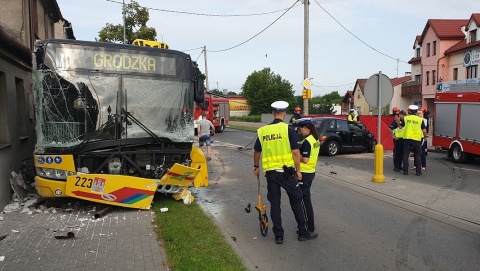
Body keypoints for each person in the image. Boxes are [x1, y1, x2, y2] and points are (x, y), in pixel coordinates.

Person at [253, 101, 317, 244]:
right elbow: (295, 152)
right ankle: (303, 232)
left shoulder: (263, 131)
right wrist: (298, 171)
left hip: (271, 174)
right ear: (284, 114)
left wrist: (256, 166)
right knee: (297, 199)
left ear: (272, 113)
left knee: (275, 204)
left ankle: (279, 236)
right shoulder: (287, 130)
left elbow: (257, 151)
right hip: (287, 173)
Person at [297, 118, 320, 234]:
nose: (300, 132)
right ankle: (309, 226)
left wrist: (295, 158)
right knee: (306, 200)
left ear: (306, 128)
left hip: (304, 173)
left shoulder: (307, 142)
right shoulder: (315, 139)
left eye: (300, 129)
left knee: (304, 201)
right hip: (311, 172)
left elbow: (305, 160)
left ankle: (308, 227)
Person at [402, 105, 427, 176]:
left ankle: (405, 171)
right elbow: (424, 130)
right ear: (416, 111)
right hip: (417, 139)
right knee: (418, 155)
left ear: (410, 111)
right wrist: (425, 136)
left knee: (406, 155)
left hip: (407, 138)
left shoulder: (406, 118)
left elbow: (401, 126)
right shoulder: (420, 120)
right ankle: (418, 172)